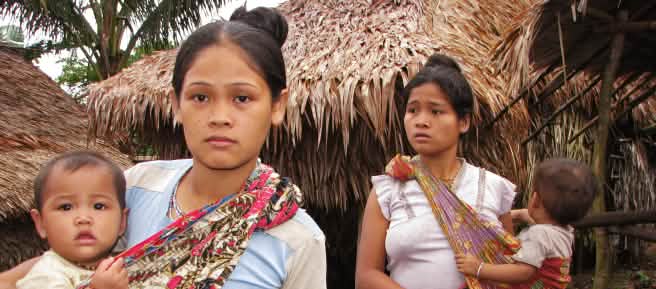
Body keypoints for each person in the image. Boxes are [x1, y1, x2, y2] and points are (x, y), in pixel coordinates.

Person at [1, 6, 326, 289]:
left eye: (242, 98)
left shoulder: (296, 240)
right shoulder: (136, 187)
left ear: (277, 106)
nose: (220, 117)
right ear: (176, 104)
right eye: (200, 97)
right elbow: (57, 267)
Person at [355, 53, 518, 289]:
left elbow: (508, 269)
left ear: (463, 122)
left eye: (436, 111)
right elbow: (366, 275)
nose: (421, 121)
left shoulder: (493, 187)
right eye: (413, 110)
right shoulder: (387, 191)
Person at [456, 158, 597, 289]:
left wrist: (479, 268)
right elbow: (542, 231)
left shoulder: (539, 235)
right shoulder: (565, 231)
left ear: (535, 199)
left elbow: (523, 272)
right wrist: (520, 214)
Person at [17, 151, 129, 289]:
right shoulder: (44, 277)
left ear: (122, 222)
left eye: (99, 206)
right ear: (41, 223)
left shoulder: (124, 268)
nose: (83, 219)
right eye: (66, 207)